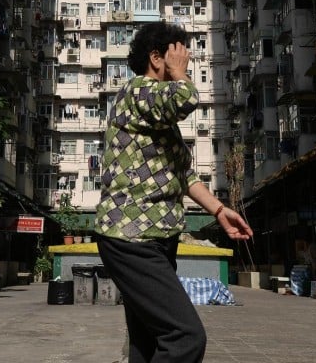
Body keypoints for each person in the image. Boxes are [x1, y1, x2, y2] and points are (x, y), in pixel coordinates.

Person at [94, 22, 252, 363]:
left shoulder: (156, 115)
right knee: (185, 337)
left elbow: (183, 174)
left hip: (155, 238)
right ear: (156, 58)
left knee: (148, 344)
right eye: (179, 55)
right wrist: (180, 75)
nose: (186, 63)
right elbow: (186, 98)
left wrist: (219, 210)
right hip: (131, 238)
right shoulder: (137, 91)